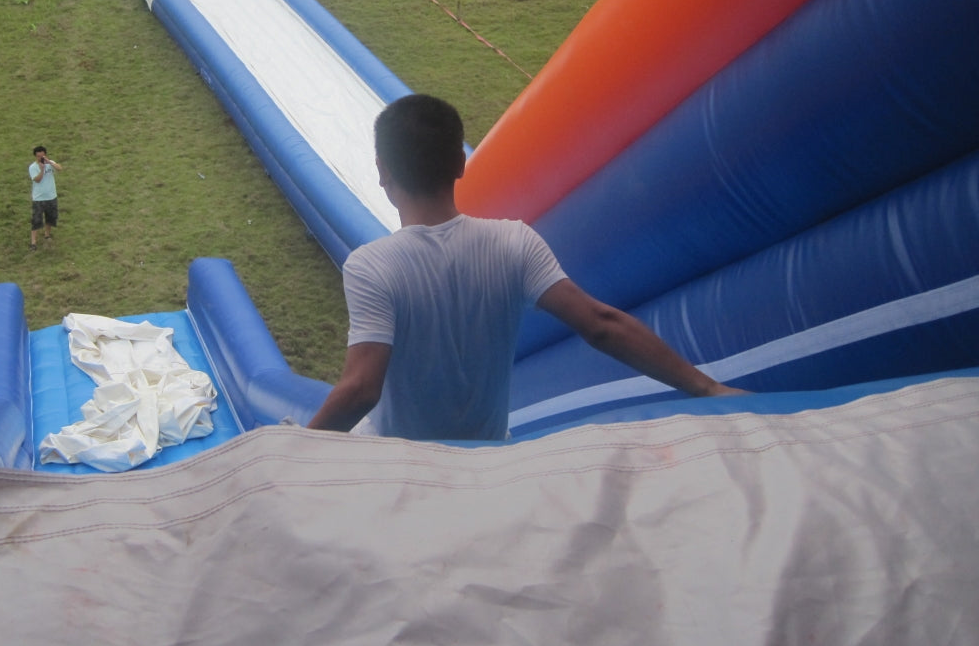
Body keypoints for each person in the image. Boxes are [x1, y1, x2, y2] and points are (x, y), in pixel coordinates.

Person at [307, 94, 745, 440]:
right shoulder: (514, 241)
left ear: (382, 172)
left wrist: (292, 453)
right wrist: (707, 388)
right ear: (461, 163)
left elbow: (361, 389)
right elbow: (601, 324)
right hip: (487, 460)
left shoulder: (371, 266)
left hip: (405, 468)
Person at [28, 145, 63, 249]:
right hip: (39, 198)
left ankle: (47, 235)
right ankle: (33, 242)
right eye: (39, 156)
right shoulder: (33, 167)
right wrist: (42, 170)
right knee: (36, 220)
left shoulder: (50, 163)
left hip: (51, 196)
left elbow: (60, 168)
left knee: (51, 217)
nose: (41, 158)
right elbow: (37, 180)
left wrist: (50, 162)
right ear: (35, 156)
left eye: (43, 156)